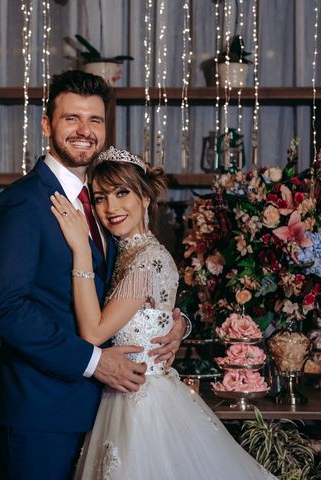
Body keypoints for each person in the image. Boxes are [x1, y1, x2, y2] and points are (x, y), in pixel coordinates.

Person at [0, 71, 186, 479]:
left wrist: (174, 322)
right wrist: (94, 363)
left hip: (111, 410)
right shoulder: (23, 203)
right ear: (46, 125)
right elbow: (6, 308)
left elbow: (131, 282)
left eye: (95, 120)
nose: (84, 131)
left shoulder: (104, 199)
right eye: (71, 118)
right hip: (42, 409)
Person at [50, 146, 276, 480]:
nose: (111, 207)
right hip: (123, 394)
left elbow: (94, 334)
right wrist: (179, 321)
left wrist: (81, 251)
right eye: (99, 198)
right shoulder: (126, 251)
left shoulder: (146, 260)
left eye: (122, 193)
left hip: (142, 403)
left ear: (145, 197)